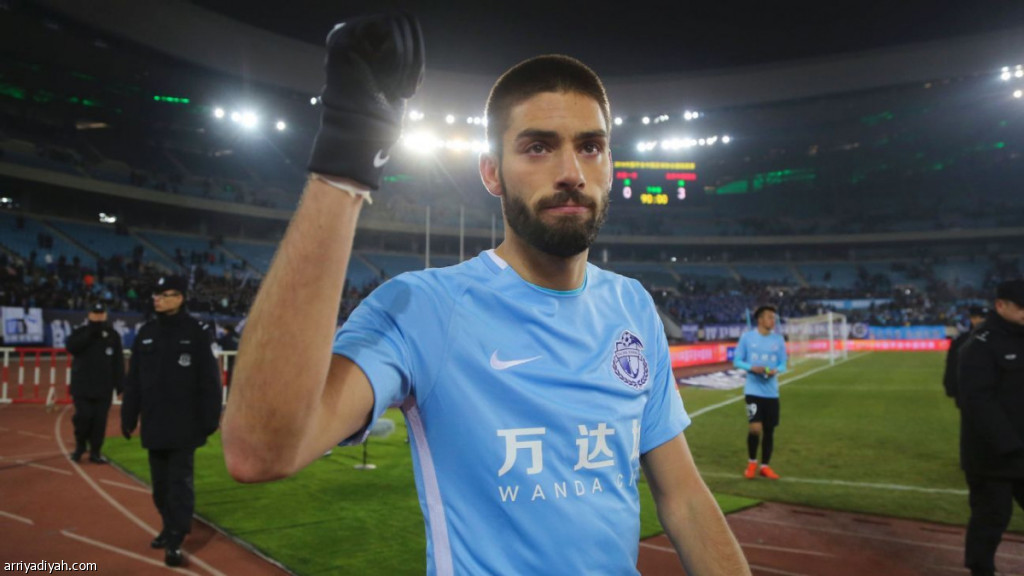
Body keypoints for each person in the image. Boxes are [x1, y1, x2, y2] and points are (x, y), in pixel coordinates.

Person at [221, 13, 750, 576]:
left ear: (611, 166)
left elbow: (684, 499)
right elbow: (259, 451)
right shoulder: (423, 308)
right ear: (491, 174)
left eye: (591, 147)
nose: (571, 172)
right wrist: (345, 160)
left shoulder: (633, 307)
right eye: (538, 147)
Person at [121, 275, 222, 568]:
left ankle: (176, 538)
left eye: (166, 294)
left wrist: (210, 418)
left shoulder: (197, 332)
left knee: (179, 484)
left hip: (185, 423)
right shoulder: (146, 332)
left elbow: (210, 380)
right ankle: (168, 525)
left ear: (180, 298)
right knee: (160, 486)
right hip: (154, 422)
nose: (158, 299)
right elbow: (134, 380)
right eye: (157, 294)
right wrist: (129, 415)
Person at [957, 279, 1024, 576]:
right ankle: (980, 570)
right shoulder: (980, 344)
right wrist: (1010, 444)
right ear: (1000, 305)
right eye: (1021, 306)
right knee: (991, 518)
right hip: (991, 455)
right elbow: (977, 401)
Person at [65, 302, 124, 464]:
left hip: (104, 387)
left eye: (101, 313)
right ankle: (80, 446)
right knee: (83, 417)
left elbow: (118, 361)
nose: (98, 316)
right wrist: (92, 332)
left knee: (99, 421)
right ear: (89, 314)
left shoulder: (112, 335)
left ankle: (96, 452)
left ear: (106, 314)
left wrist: (120, 383)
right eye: (95, 313)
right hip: (82, 386)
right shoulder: (80, 332)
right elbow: (72, 347)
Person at [734, 304, 787, 480]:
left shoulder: (778, 340)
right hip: (753, 391)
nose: (773, 320)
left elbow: (783, 364)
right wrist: (752, 368)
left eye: (774, 317)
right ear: (760, 319)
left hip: (772, 393)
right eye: (770, 317)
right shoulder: (747, 338)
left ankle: (765, 466)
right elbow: (737, 361)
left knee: (769, 430)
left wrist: (776, 370)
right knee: (755, 428)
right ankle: (752, 462)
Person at [943, 305, 988, 407]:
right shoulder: (961, 340)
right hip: (967, 393)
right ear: (972, 319)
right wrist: (950, 386)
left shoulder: (998, 339)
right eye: (978, 317)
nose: (981, 320)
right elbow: (952, 364)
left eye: (983, 317)